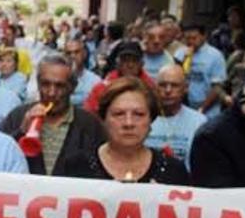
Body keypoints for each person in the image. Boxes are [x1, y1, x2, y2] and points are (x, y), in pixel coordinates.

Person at [61, 77, 189, 184]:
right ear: (104, 120)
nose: (129, 123)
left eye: (138, 114)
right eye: (119, 114)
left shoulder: (174, 171)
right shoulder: (75, 167)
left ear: (151, 120)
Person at [0, 54, 106, 176]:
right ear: (38, 84)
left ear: (72, 87)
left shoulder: (89, 124)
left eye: (60, 86)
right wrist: (21, 132)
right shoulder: (18, 116)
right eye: (45, 84)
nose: (51, 93)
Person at [145, 64, 207, 169]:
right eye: (162, 85)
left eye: (174, 85)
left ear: (185, 88)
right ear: (155, 87)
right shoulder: (142, 118)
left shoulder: (199, 122)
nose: (168, 90)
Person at [84, 42, 155, 115]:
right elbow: (89, 113)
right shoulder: (103, 87)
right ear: (118, 64)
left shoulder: (150, 87)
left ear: (141, 64)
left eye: (134, 61)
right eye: (125, 60)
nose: (130, 65)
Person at [174, 24, 228, 118]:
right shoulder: (180, 53)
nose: (190, 41)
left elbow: (217, 87)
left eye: (194, 38)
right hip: (184, 107)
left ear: (203, 36)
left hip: (208, 110)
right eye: (187, 38)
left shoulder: (215, 56)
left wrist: (202, 109)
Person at [64, 39, 101, 107]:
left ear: (84, 53)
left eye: (76, 52)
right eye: (68, 53)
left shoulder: (95, 81)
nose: (72, 56)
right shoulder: (58, 80)